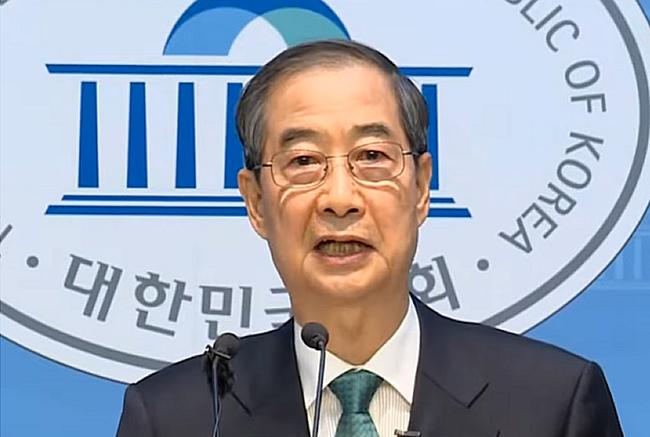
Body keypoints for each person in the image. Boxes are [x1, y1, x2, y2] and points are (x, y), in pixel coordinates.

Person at [116, 40, 623, 437]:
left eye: (372, 157)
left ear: (421, 188)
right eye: (303, 161)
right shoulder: (179, 417)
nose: (340, 199)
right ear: (255, 202)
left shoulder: (551, 404)